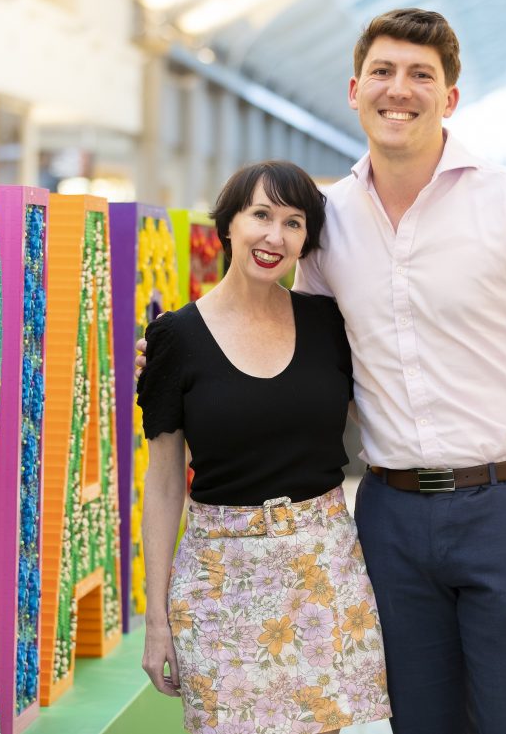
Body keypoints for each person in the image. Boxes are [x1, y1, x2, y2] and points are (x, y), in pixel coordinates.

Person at [138, 8, 506, 734]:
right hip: (390, 518)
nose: (400, 89)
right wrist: (177, 349)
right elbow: (294, 348)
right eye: (384, 72)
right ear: (356, 89)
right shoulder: (326, 223)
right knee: (417, 721)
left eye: (422, 75)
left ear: (449, 97)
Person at [136, 161, 392, 734]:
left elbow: (387, 404)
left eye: (294, 223)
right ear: (229, 223)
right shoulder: (175, 338)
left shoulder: (329, 323)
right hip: (218, 583)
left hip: (324, 574)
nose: (275, 236)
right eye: (261, 215)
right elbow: (164, 480)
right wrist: (157, 621)